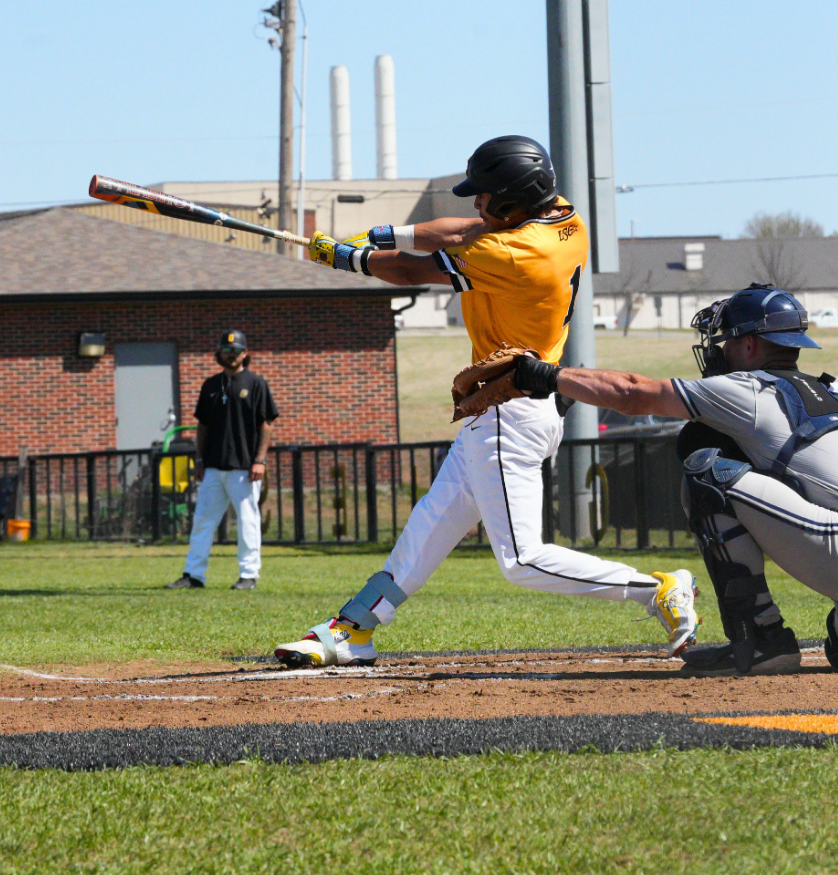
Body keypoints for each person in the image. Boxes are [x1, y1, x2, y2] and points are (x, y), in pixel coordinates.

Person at [271, 135, 695, 668]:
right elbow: (463, 228)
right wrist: (378, 234)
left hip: (510, 414)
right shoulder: (563, 220)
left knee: (521, 560)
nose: (477, 204)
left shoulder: (515, 254)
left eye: (486, 195)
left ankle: (656, 587)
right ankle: (353, 629)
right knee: (428, 528)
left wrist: (352, 260)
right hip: (499, 411)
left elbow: (410, 270)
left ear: (515, 200)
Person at [481, 283, 838, 676]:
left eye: (723, 340)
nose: (716, 350)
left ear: (748, 345)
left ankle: (761, 639)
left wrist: (544, 375)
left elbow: (631, 390)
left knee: (704, 469)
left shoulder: (750, 388)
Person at [165, 330, 278, 591]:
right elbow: (202, 426)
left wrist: (260, 460)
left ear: (245, 354)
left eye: (236, 350)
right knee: (203, 520)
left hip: (245, 467)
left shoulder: (256, 383)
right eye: (226, 350)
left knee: (247, 521)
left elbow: (266, 425)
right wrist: (200, 459)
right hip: (214, 466)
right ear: (219, 354)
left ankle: (248, 575)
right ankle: (193, 575)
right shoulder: (211, 386)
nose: (231, 354)